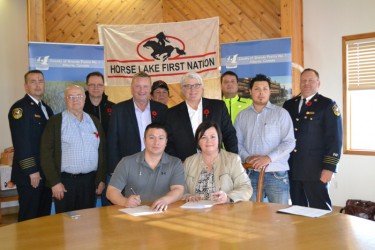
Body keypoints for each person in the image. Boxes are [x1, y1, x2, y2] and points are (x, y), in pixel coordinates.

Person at [283, 68, 343, 210]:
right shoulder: (289, 105)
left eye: (311, 80)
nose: (306, 83)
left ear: (318, 83)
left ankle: (325, 233)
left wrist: (329, 168)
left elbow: (335, 139)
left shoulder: (327, 105)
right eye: (303, 80)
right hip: (293, 167)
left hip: (316, 170)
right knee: (297, 209)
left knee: (320, 209)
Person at [41, 85, 106, 213]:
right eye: (71, 96)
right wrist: (54, 182)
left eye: (79, 96)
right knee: (66, 222)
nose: (75, 100)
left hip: (90, 182)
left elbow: (102, 152)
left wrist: (101, 179)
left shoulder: (94, 121)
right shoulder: (55, 122)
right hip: (65, 183)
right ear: (65, 99)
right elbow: (46, 154)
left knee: (88, 221)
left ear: (84, 99)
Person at [106, 72, 168, 204]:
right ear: (132, 88)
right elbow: (112, 142)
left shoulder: (162, 109)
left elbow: (167, 139)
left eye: (145, 86)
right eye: (138, 86)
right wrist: (115, 170)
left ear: (150, 88)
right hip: (129, 168)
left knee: (154, 204)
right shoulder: (119, 109)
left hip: (156, 167)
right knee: (130, 207)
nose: (142, 90)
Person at [235, 74, 295, 204]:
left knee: (279, 217)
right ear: (250, 92)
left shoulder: (281, 114)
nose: (261, 93)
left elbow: (289, 142)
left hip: (276, 173)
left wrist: (268, 158)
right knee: (250, 217)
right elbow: (237, 143)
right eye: (257, 89)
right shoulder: (242, 116)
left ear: (269, 91)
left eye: (265, 89)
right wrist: (247, 157)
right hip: (250, 173)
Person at [8, 70, 54, 222]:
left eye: (41, 81)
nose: (38, 84)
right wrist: (32, 170)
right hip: (30, 176)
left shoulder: (46, 108)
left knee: (43, 217)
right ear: (26, 86)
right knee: (29, 218)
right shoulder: (20, 109)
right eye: (33, 81)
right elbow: (22, 142)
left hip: (45, 174)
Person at [106, 123, 184, 211]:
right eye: (151, 138)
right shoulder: (127, 162)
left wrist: (165, 200)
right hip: (134, 214)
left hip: (164, 212)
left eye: (161, 138)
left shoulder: (175, 163)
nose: (156, 142)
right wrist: (124, 201)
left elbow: (178, 189)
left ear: (166, 141)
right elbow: (111, 191)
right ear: (144, 140)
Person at [166, 72, 238, 161]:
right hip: (186, 166)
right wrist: (178, 164)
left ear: (203, 88)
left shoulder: (218, 107)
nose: (192, 90)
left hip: (216, 164)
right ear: (182, 91)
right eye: (188, 86)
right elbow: (168, 143)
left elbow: (229, 135)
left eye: (197, 85)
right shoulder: (171, 114)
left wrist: (233, 159)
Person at [184, 121, 252, 203]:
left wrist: (227, 197)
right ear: (198, 142)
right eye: (203, 137)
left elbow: (246, 187)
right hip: (194, 212)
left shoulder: (233, 159)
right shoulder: (189, 162)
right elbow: (179, 189)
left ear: (219, 139)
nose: (208, 141)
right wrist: (188, 196)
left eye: (213, 137)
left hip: (225, 211)